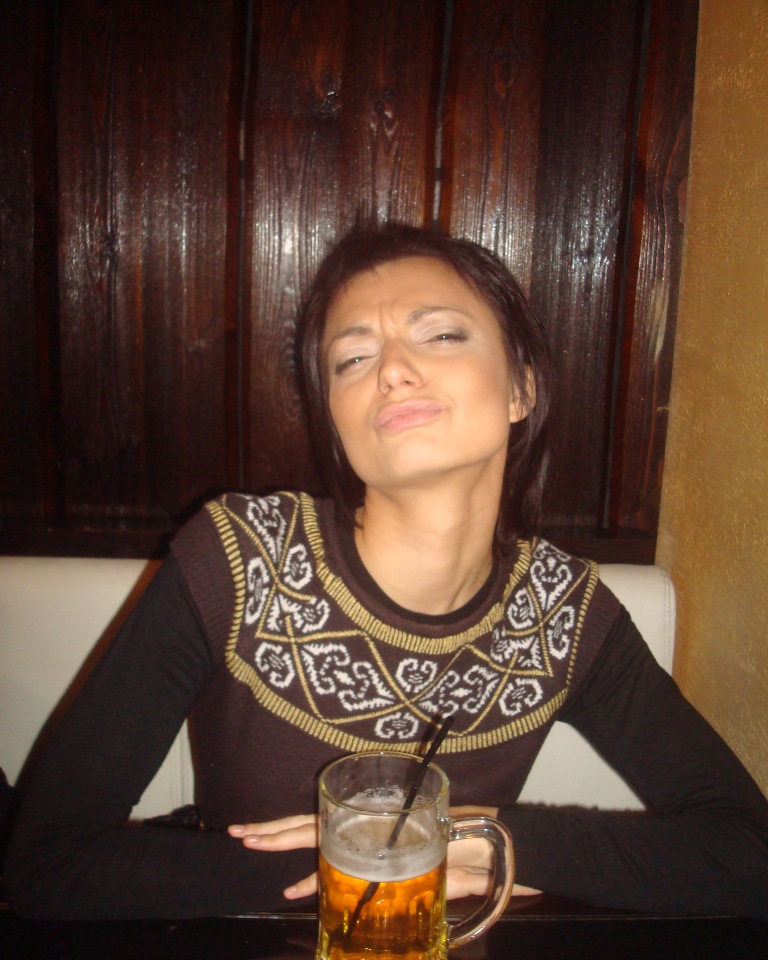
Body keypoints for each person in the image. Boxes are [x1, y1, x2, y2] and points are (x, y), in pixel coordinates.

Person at [5, 224, 768, 920]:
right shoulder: (243, 558)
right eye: (354, 358)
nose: (395, 370)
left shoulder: (561, 612)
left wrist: (478, 841)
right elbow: (47, 863)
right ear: (336, 421)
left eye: (441, 334)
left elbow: (747, 854)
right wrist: (366, 861)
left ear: (520, 389)